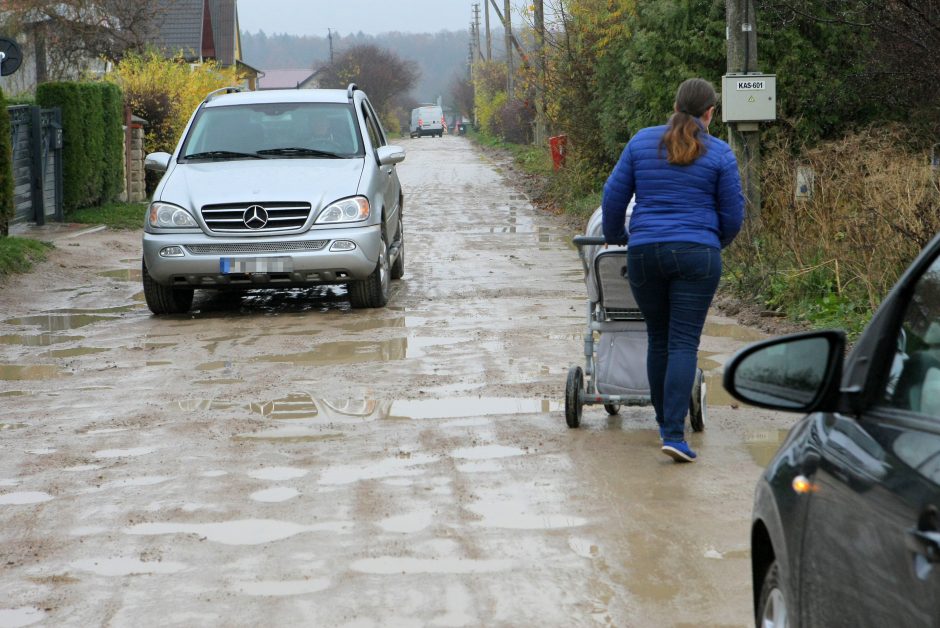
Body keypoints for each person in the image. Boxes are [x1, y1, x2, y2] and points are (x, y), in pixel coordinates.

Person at [601, 77, 745, 463]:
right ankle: (672, 434)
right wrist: (712, 243)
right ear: (710, 113)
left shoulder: (642, 141)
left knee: (659, 339)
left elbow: (613, 197)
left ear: (676, 104)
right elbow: (733, 215)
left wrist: (617, 236)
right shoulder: (719, 153)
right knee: (683, 342)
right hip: (698, 254)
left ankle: (666, 427)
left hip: (645, 252)